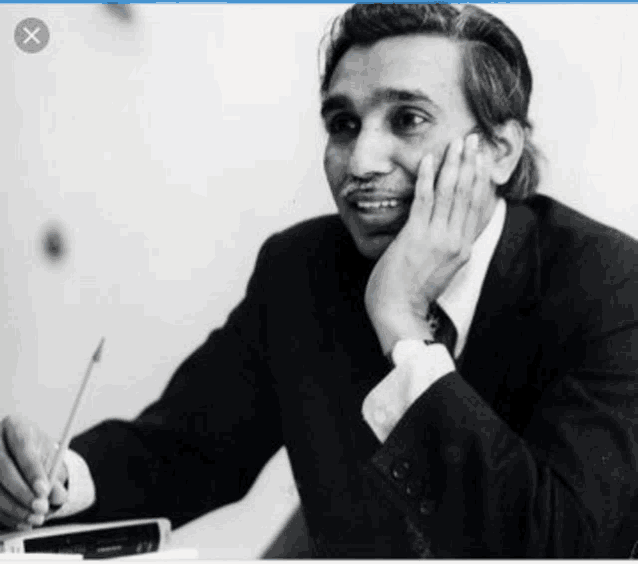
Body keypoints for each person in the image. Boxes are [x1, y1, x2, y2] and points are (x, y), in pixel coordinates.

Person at [2, 3, 638, 557]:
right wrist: (52, 479)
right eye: (343, 124)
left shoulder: (611, 283)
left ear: (500, 149)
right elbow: (189, 447)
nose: (359, 162)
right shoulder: (299, 269)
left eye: (408, 119)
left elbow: (558, 545)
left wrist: (400, 323)